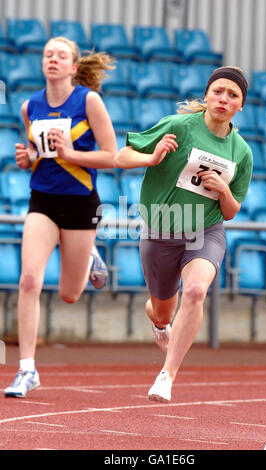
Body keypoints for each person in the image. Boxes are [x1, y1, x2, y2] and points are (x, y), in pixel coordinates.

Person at [115, 66, 253, 402]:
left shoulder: (242, 152)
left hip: (205, 230)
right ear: (206, 96)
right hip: (161, 229)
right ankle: (159, 321)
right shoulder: (178, 126)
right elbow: (121, 157)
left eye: (232, 95)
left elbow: (231, 211)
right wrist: (152, 156)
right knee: (163, 311)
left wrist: (223, 190)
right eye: (218, 91)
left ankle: (167, 375)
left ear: (241, 106)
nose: (224, 99)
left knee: (194, 291)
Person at [4, 37, 117, 398]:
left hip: (82, 202)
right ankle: (27, 369)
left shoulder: (88, 101)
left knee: (70, 294)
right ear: (43, 63)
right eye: (48, 54)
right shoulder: (29, 106)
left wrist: (70, 154)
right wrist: (27, 160)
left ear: (73, 66)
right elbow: (37, 154)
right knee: (28, 280)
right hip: (43, 201)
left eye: (61, 55)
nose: (53, 59)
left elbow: (112, 155)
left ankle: (89, 257)